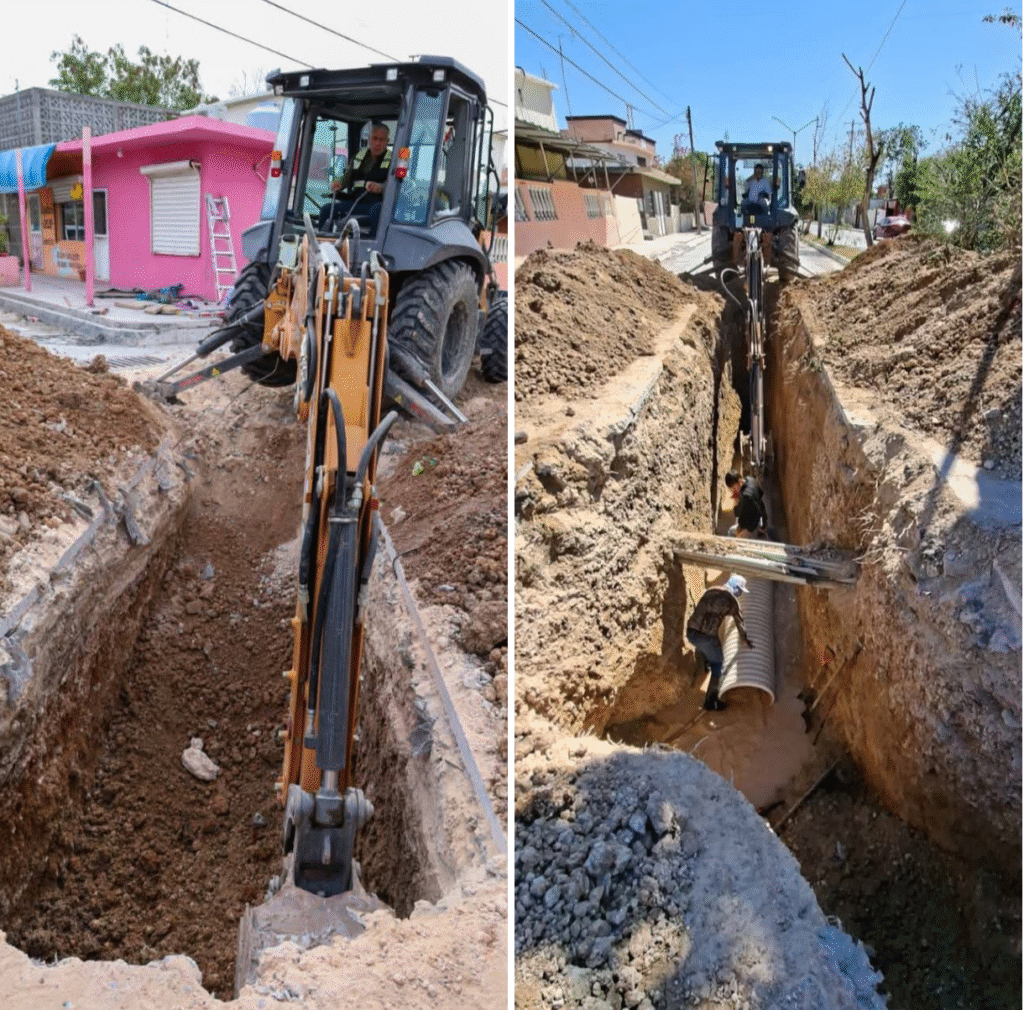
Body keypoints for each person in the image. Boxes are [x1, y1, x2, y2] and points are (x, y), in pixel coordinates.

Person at [686, 575, 755, 711]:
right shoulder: (732, 601)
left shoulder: (710, 591)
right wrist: (744, 639)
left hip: (691, 632)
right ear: (736, 588)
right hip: (706, 638)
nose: (740, 593)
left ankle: (704, 667)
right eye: (740, 590)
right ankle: (710, 702)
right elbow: (739, 622)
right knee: (718, 665)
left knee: (704, 647)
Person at [317, 122, 392, 233]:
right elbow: (346, 178)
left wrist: (381, 188)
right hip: (355, 203)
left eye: (381, 140)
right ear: (369, 139)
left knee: (378, 210)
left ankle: (372, 242)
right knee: (326, 210)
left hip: (375, 205)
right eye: (375, 138)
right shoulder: (358, 156)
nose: (377, 143)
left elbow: (395, 186)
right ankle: (322, 241)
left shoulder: (392, 160)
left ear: (387, 142)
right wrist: (338, 184)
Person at [724, 471, 768, 538]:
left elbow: (757, 513)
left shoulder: (746, 496)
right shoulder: (750, 479)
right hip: (757, 520)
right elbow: (760, 497)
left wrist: (748, 530)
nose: (733, 491)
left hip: (754, 526)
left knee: (730, 532)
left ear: (739, 482)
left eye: (734, 488)